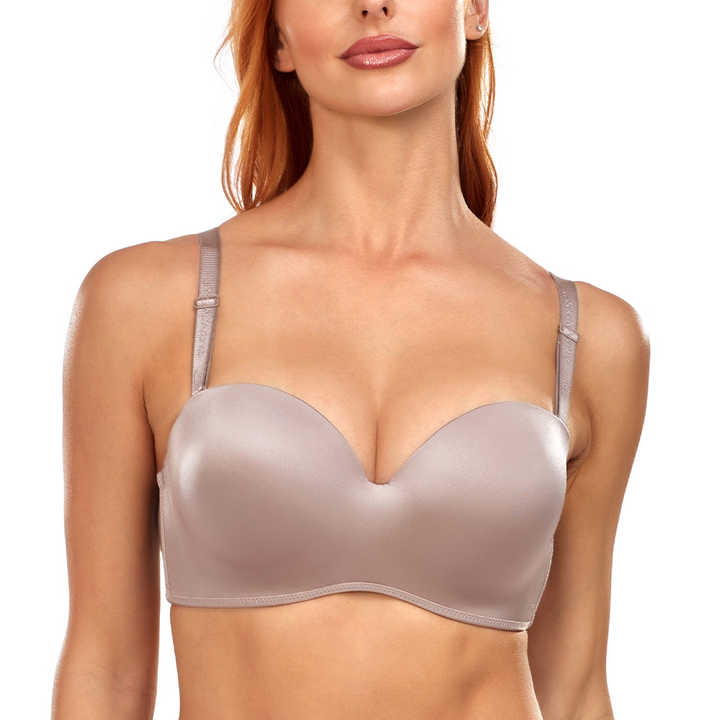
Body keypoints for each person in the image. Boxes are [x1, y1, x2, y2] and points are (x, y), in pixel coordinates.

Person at [52, 1, 650, 718]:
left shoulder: (589, 338)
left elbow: (575, 690)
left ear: (475, 9)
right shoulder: (145, 303)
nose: (372, 5)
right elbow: (106, 669)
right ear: (278, 39)